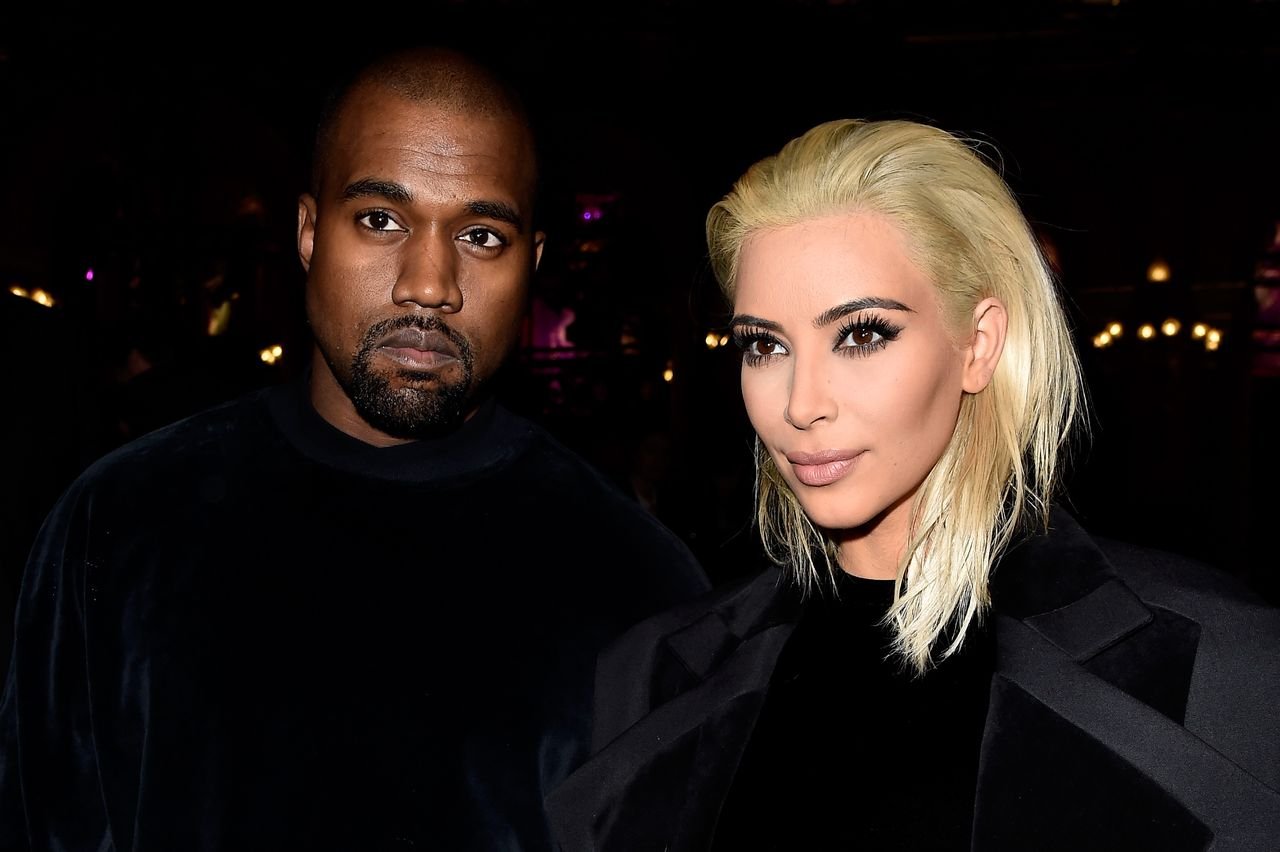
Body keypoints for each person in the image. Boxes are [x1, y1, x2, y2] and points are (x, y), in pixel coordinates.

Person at [0, 45, 709, 851]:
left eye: (481, 235)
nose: (429, 282)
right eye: (381, 220)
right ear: (308, 234)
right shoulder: (117, 527)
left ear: (532, 265)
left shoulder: (638, 584)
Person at [545, 119, 1280, 850]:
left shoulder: (1226, 670)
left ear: (978, 345)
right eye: (764, 345)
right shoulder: (649, 677)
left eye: (861, 333)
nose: (801, 404)